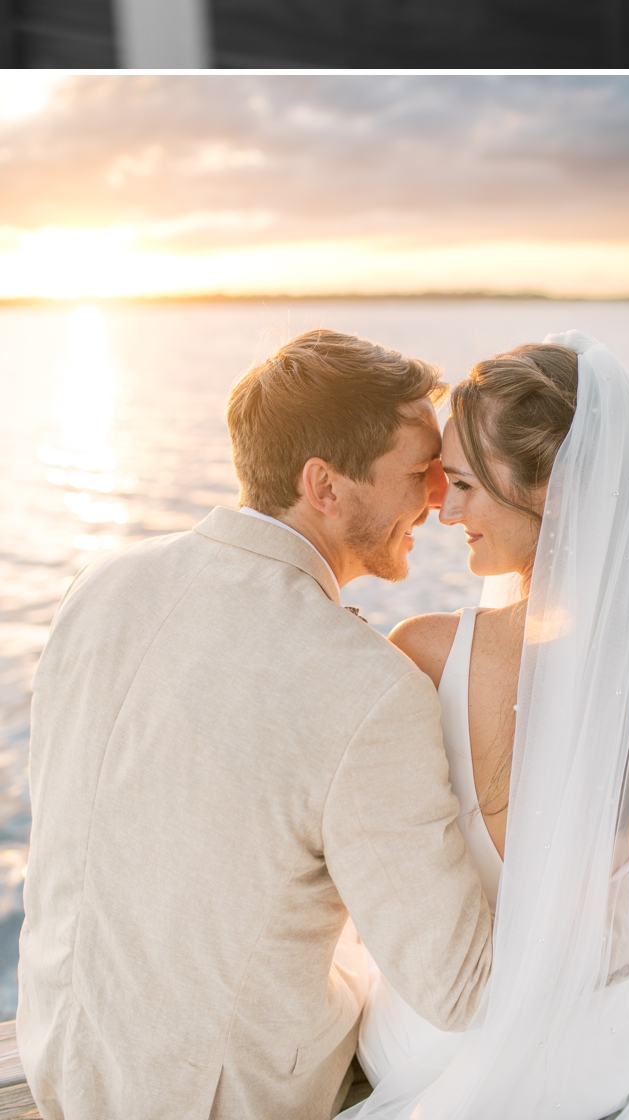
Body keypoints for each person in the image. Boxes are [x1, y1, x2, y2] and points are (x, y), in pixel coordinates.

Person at [17, 331, 494, 1120]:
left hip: (60, 1061)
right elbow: (457, 985)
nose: (441, 499)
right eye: (420, 473)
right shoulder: (369, 686)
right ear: (325, 486)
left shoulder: (100, 583)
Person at [342, 335, 629, 1120]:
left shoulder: (427, 652)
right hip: (600, 1052)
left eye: (464, 483)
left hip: (445, 1044)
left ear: (558, 495)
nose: (443, 508)